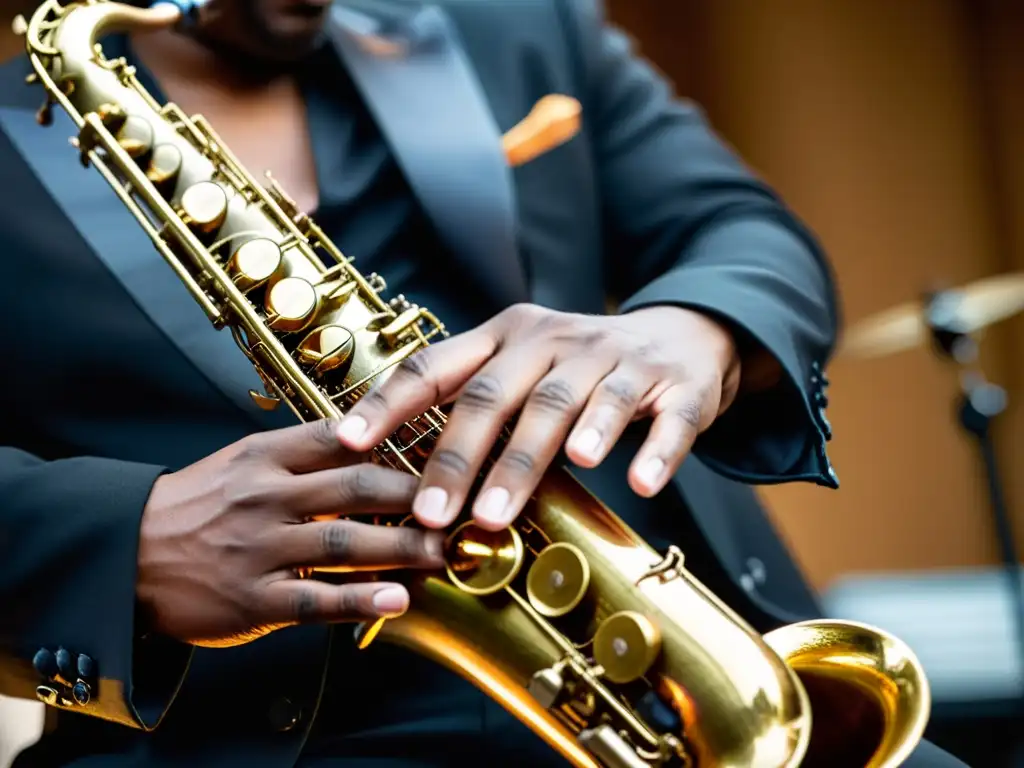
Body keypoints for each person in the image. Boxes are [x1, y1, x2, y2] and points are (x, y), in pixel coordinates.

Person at [0, 0, 964, 765]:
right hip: (258, 733)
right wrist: (127, 539)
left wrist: (695, 328)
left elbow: (741, 230)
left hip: (682, 667)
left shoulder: (520, 21)